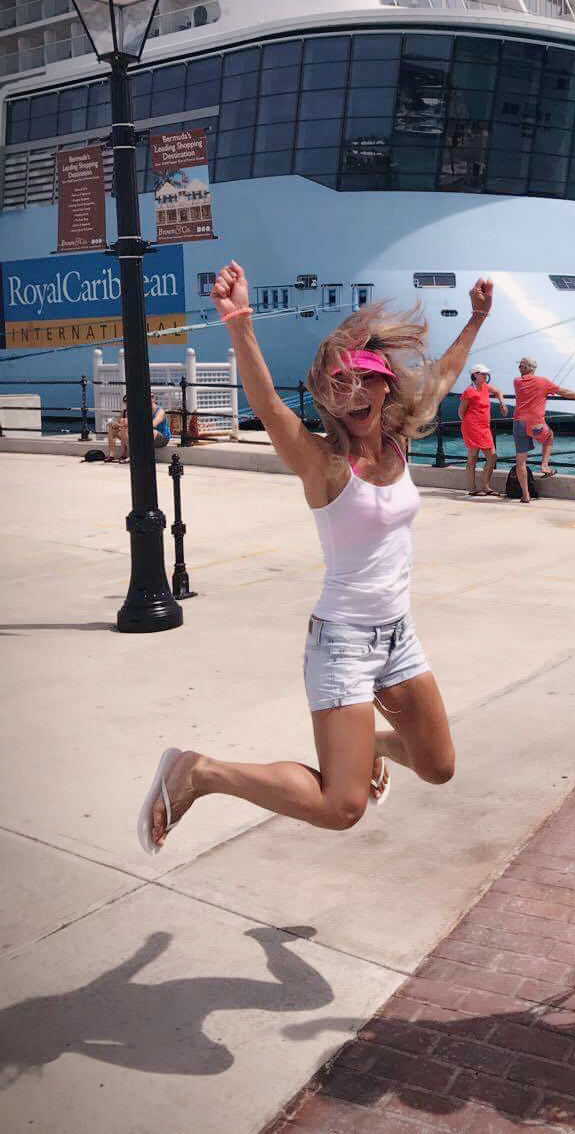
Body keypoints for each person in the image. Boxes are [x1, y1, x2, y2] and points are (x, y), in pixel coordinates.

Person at [137, 260, 495, 854]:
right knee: (341, 807)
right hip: (343, 643)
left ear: (385, 386)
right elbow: (268, 405)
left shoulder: (397, 443)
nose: (354, 394)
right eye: (339, 386)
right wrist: (240, 323)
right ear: (327, 398)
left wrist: (476, 320)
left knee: (438, 766)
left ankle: (367, 743)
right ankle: (201, 772)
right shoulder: (324, 464)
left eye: (365, 381)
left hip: (398, 635)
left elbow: (443, 376)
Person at [511, 357, 575, 503]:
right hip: (535, 423)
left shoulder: (516, 381)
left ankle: (526, 495)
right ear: (533, 368)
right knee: (549, 436)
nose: (519, 368)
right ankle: (544, 465)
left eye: (520, 366)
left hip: (518, 423)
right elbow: (565, 392)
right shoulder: (543, 382)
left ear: (525, 368)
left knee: (520, 462)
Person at [458, 363, 507, 496]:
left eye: (486, 374)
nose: (486, 376)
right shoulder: (469, 391)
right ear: (475, 375)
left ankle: (485, 486)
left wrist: (502, 403)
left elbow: (497, 391)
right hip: (472, 427)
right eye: (483, 374)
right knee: (473, 457)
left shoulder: (485, 387)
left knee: (492, 457)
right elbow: (461, 412)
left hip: (484, 428)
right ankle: (472, 488)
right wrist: (470, 423)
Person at [105, 394, 170, 463]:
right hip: (143, 436)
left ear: (153, 399)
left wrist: (131, 423)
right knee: (116, 430)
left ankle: (134, 455)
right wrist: (117, 424)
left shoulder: (160, 411)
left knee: (150, 431)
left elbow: (152, 425)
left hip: (161, 438)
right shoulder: (142, 410)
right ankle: (113, 455)